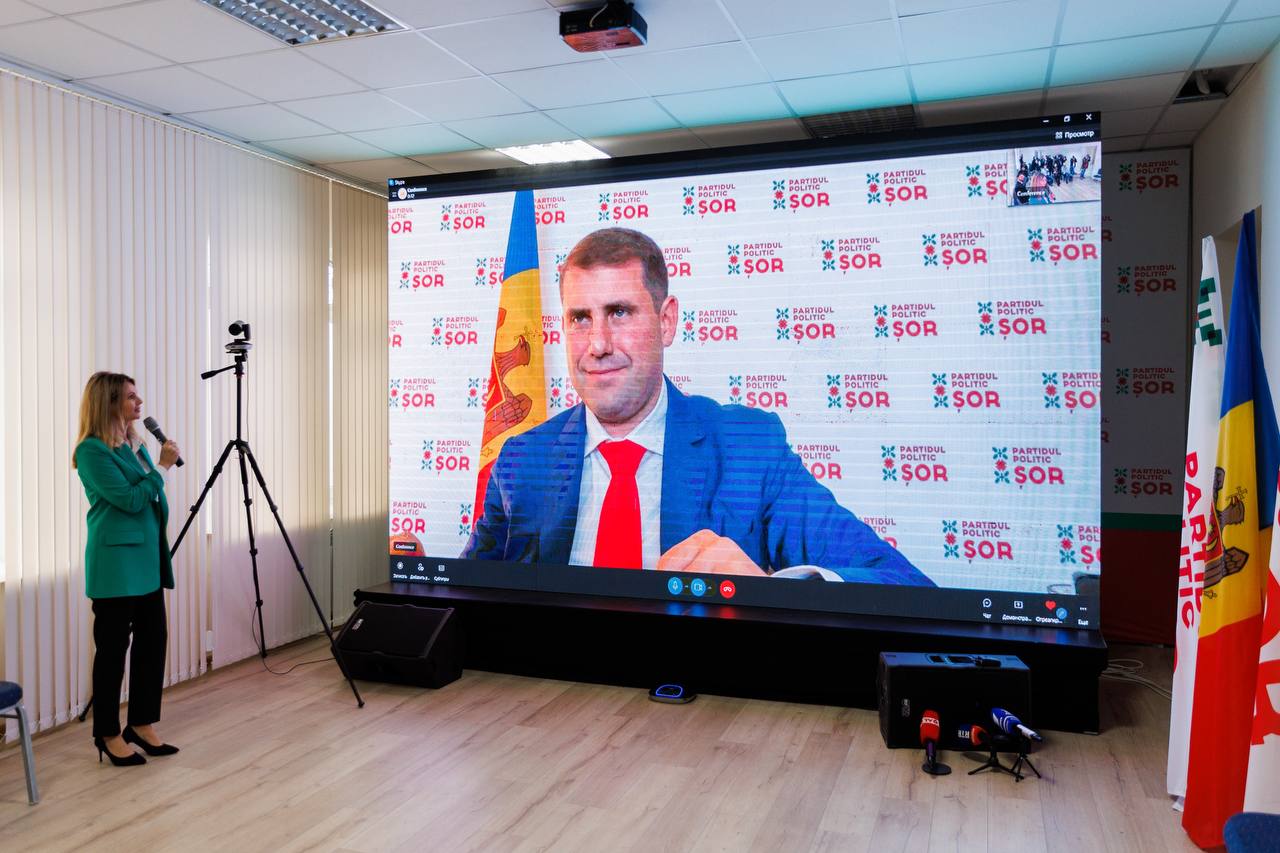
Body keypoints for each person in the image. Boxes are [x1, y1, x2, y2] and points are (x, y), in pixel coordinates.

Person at [463, 228, 933, 586]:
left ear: (666, 321)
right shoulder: (522, 459)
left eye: (619, 313)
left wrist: (768, 591)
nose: (598, 344)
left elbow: (903, 584)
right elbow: (467, 597)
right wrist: (423, 584)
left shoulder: (749, 449)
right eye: (580, 318)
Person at [73, 372, 182, 766]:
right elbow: (132, 499)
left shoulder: (134, 444)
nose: (140, 403)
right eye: (131, 397)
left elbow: (149, 496)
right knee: (113, 651)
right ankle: (107, 733)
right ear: (109, 402)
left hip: (147, 561)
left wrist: (156, 468)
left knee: (153, 643)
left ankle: (141, 723)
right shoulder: (91, 451)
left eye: (138, 396)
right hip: (116, 566)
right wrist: (163, 468)